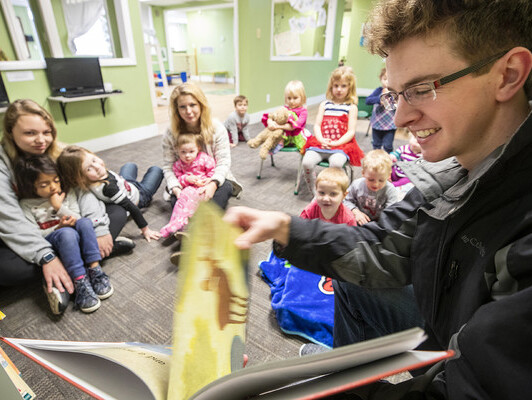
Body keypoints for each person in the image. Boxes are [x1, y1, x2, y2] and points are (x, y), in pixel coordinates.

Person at [224, 0, 532, 397]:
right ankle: (343, 371)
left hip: (470, 359)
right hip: (450, 319)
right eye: (397, 93)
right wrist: (287, 229)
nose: (401, 117)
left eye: (421, 90)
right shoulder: (454, 176)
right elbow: (384, 244)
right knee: (351, 283)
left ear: (507, 75)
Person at [0, 99, 129, 315]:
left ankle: (70, 268)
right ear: (11, 132)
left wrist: (98, 229)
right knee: (6, 270)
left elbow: (84, 189)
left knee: (116, 212)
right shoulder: (3, 164)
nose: (41, 140)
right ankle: (88, 258)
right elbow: (8, 217)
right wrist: (46, 256)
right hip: (31, 229)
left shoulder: (59, 151)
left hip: (71, 224)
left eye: (47, 132)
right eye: (30, 133)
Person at [15, 155, 112, 313]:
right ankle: (80, 280)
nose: (53, 187)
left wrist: (58, 207)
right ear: (32, 187)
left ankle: (95, 269)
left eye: (56, 180)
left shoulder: (67, 194)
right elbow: (33, 235)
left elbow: (78, 219)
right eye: (44, 184)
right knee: (66, 233)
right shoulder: (26, 204)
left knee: (86, 222)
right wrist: (57, 228)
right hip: (54, 240)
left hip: (76, 235)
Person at [162, 82, 242, 211]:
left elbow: (223, 162)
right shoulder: (170, 133)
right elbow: (168, 166)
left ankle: (198, 225)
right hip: (185, 181)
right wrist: (176, 188)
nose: (188, 111)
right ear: (177, 109)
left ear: (201, 104)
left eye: (192, 105)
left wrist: (212, 184)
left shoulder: (217, 128)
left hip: (212, 177)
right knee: (177, 203)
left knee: (223, 190)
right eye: (182, 107)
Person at [57, 145, 163, 242]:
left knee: (130, 165)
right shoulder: (109, 189)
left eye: (94, 160)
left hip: (125, 183)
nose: (97, 167)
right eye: (89, 169)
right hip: (140, 195)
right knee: (156, 170)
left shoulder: (95, 177)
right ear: (80, 178)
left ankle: (128, 176)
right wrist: (145, 230)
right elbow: (132, 208)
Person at [302, 66, 364, 195]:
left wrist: (335, 144)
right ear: (331, 87)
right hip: (321, 143)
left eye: (343, 86)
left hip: (341, 146)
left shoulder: (351, 107)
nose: (339, 89)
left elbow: (351, 132)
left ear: (350, 88)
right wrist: (322, 139)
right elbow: (317, 126)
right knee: (307, 162)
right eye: (336, 85)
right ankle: (315, 193)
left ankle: (332, 193)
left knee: (336, 163)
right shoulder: (324, 105)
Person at [159, 134, 216, 238]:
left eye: (191, 152)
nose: (187, 155)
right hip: (188, 189)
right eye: (183, 152)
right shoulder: (178, 165)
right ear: (177, 150)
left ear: (198, 148)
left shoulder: (204, 159)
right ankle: (175, 223)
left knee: (194, 205)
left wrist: (208, 180)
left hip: (202, 188)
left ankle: (184, 225)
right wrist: (186, 179)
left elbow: (212, 170)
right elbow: (178, 179)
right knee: (180, 201)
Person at [344, 149, 399, 225]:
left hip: (380, 224)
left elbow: (391, 212)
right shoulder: (356, 184)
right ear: (363, 173)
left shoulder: (390, 190)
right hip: (357, 220)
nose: (376, 184)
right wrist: (356, 212)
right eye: (371, 179)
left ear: (388, 175)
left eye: (381, 180)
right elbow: (345, 200)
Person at [260, 80, 309, 151]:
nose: (291, 101)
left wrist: (278, 126)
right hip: (282, 133)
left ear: (302, 97)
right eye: (289, 98)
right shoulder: (284, 108)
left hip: (295, 136)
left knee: (279, 130)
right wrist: (270, 122)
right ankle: (268, 142)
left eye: (295, 98)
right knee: (269, 130)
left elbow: (294, 126)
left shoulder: (303, 112)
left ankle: (278, 143)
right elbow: (271, 116)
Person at [366, 68, 396, 153]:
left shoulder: (396, 92)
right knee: (376, 144)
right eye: (385, 79)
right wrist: (379, 99)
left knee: (388, 145)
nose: (387, 82)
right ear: (381, 79)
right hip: (377, 123)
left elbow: (397, 105)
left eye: (390, 79)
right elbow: (368, 100)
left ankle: (388, 162)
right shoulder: (378, 91)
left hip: (390, 125)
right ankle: (376, 161)